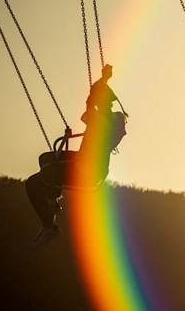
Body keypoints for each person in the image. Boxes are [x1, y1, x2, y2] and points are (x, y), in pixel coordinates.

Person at [26, 64, 126, 248]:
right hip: (86, 163)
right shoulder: (111, 120)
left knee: (33, 183)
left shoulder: (110, 121)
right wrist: (102, 84)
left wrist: (102, 84)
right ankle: (53, 199)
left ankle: (49, 226)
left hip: (87, 171)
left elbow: (89, 112)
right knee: (45, 158)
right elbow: (88, 113)